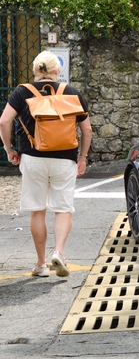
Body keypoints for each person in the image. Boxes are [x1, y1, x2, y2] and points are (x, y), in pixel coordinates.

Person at [0, 51, 92, 278]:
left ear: (34, 71)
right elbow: (87, 129)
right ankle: (59, 252)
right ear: (57, 71)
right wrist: (82, 157)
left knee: (37, 211)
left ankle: (41, 264)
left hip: (33, 159)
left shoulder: (22, 92)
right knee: (62, 209)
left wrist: (9, 149)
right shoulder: (71, 92)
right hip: (65, 160)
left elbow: (4, 121)